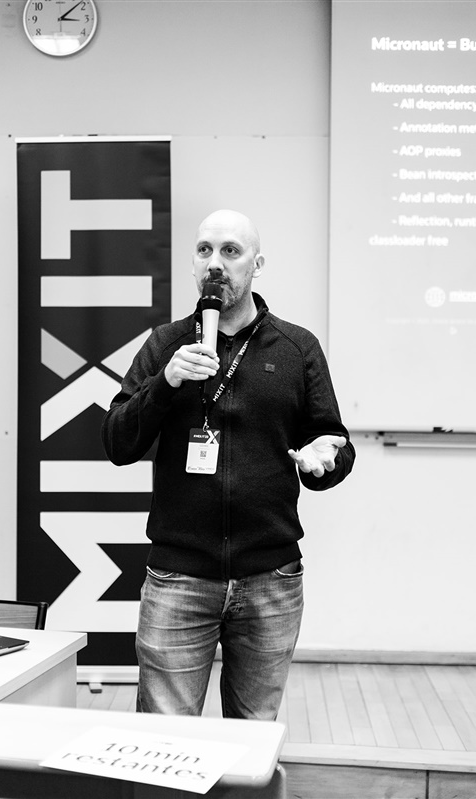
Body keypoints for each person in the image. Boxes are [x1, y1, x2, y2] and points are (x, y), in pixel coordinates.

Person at [101, 209, 356, 720]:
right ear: (193, 264)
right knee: (163, 739)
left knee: (253, 735)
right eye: (204, 250)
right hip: (178, 578)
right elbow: (117, 442)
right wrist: (164, 384)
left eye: (230, 251)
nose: (215, 263)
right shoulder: (165, 345)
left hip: (270, 579)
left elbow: (334, 443)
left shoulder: (297, 348)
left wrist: (324, 460)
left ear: (256, 265)